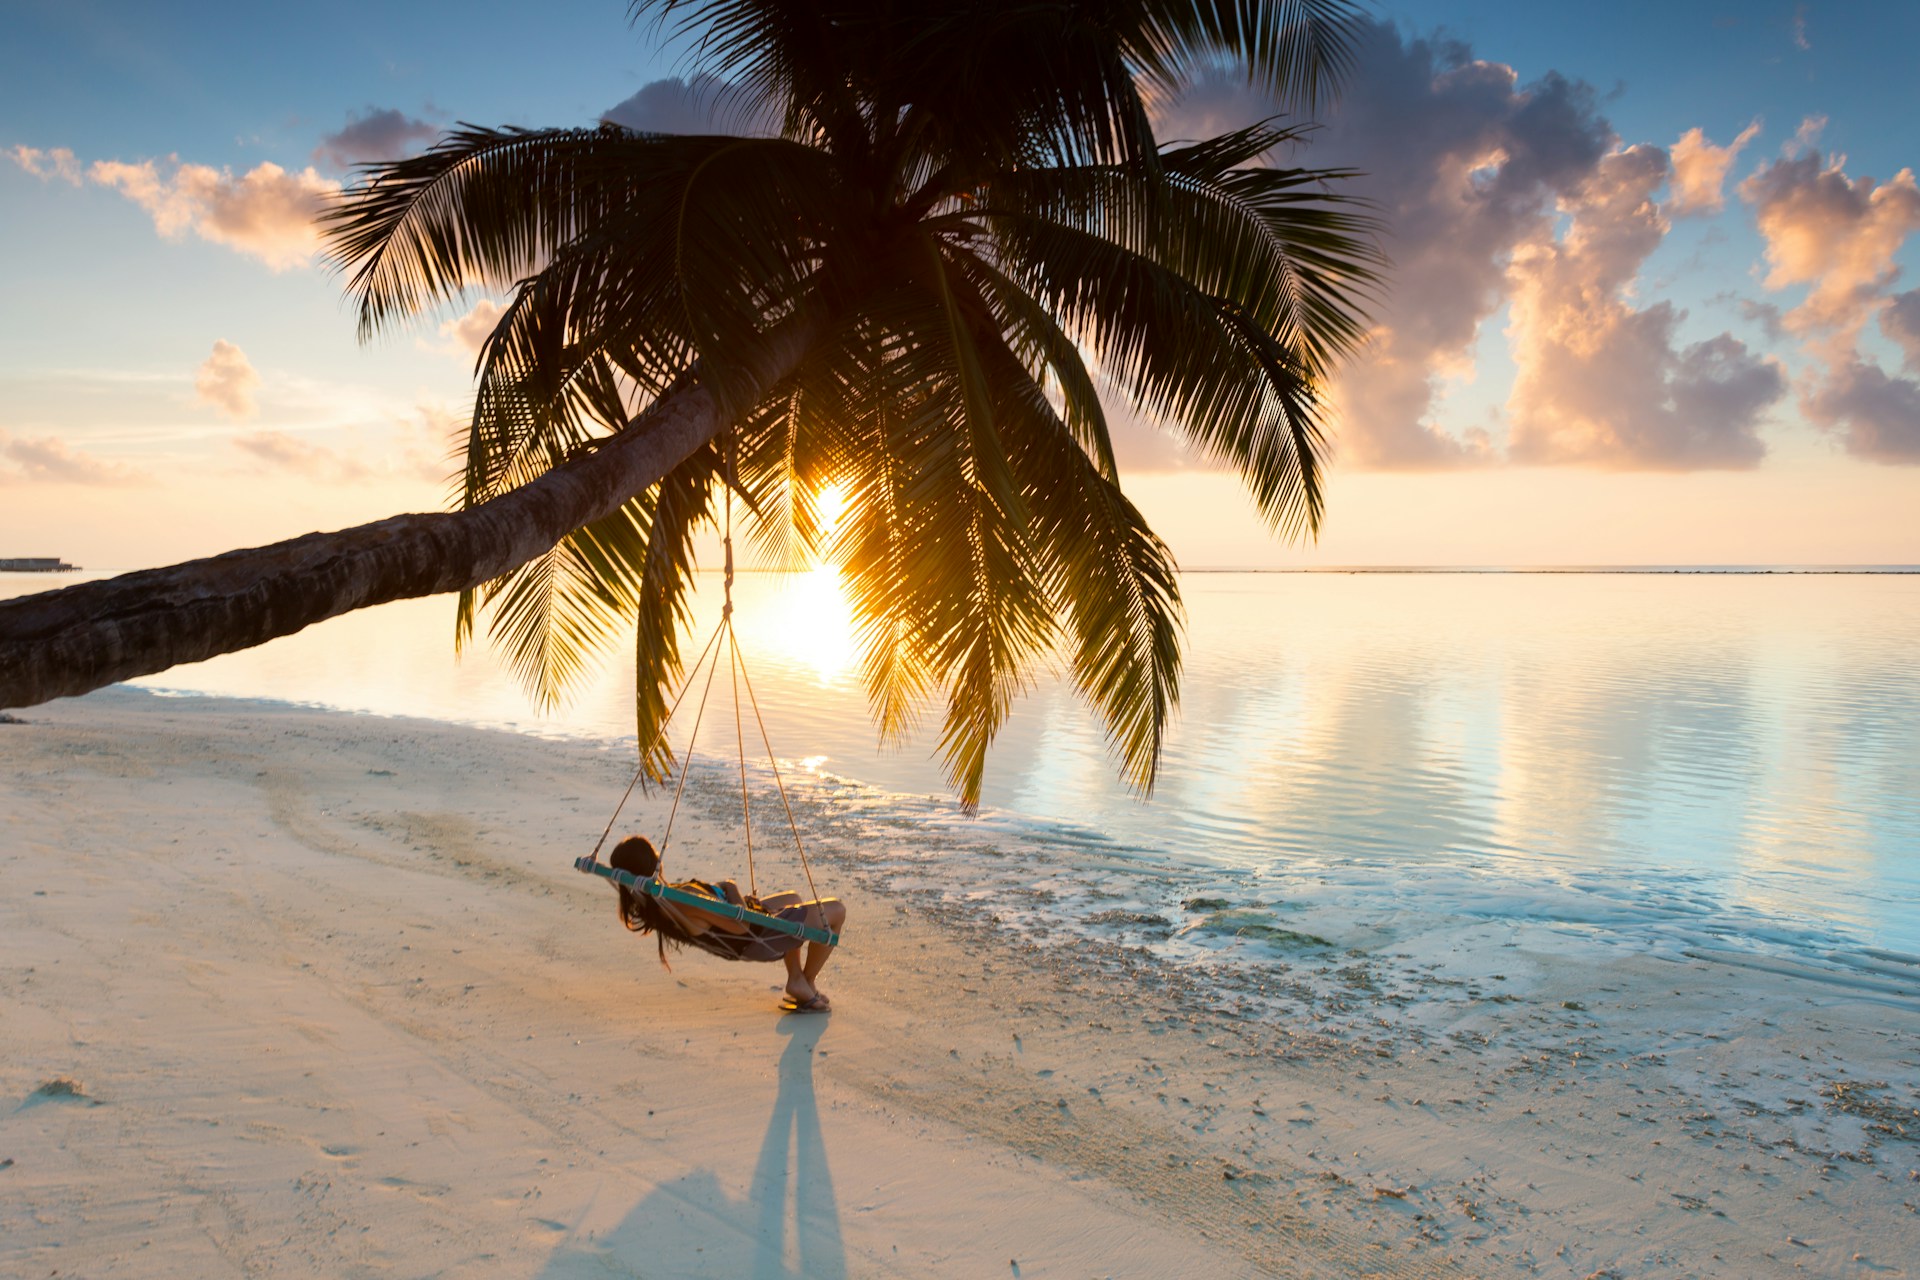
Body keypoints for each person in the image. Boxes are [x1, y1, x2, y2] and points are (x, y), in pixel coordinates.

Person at [607, 835, 846, 1012]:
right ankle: (809, 981)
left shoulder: (658, 902)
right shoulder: (684, 900)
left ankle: (796, 980)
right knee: (836, 910)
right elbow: (740, 925)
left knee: (792, 898)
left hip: (744, 935)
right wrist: (731, 886)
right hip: (757, 937)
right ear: (653, 863)